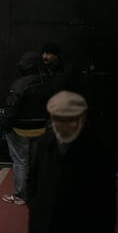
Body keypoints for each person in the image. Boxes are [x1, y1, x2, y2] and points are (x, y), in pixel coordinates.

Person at [27, 90, 117, 233]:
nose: (64, 126)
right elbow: (33, 181)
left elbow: (106, 204)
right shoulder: (43, 144)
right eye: (58, 119)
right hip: (44, 225)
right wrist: (37, 209)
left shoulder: (99, 152)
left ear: (82, 118)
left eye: (70, 120)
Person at [1, 52, 53, 205]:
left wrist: (5, 126)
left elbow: (11, 109)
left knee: (20, 162)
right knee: (36, 162)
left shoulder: (19, 84)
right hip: (40, 129)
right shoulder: (47, 83)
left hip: (19, 130)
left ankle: (19, 196)